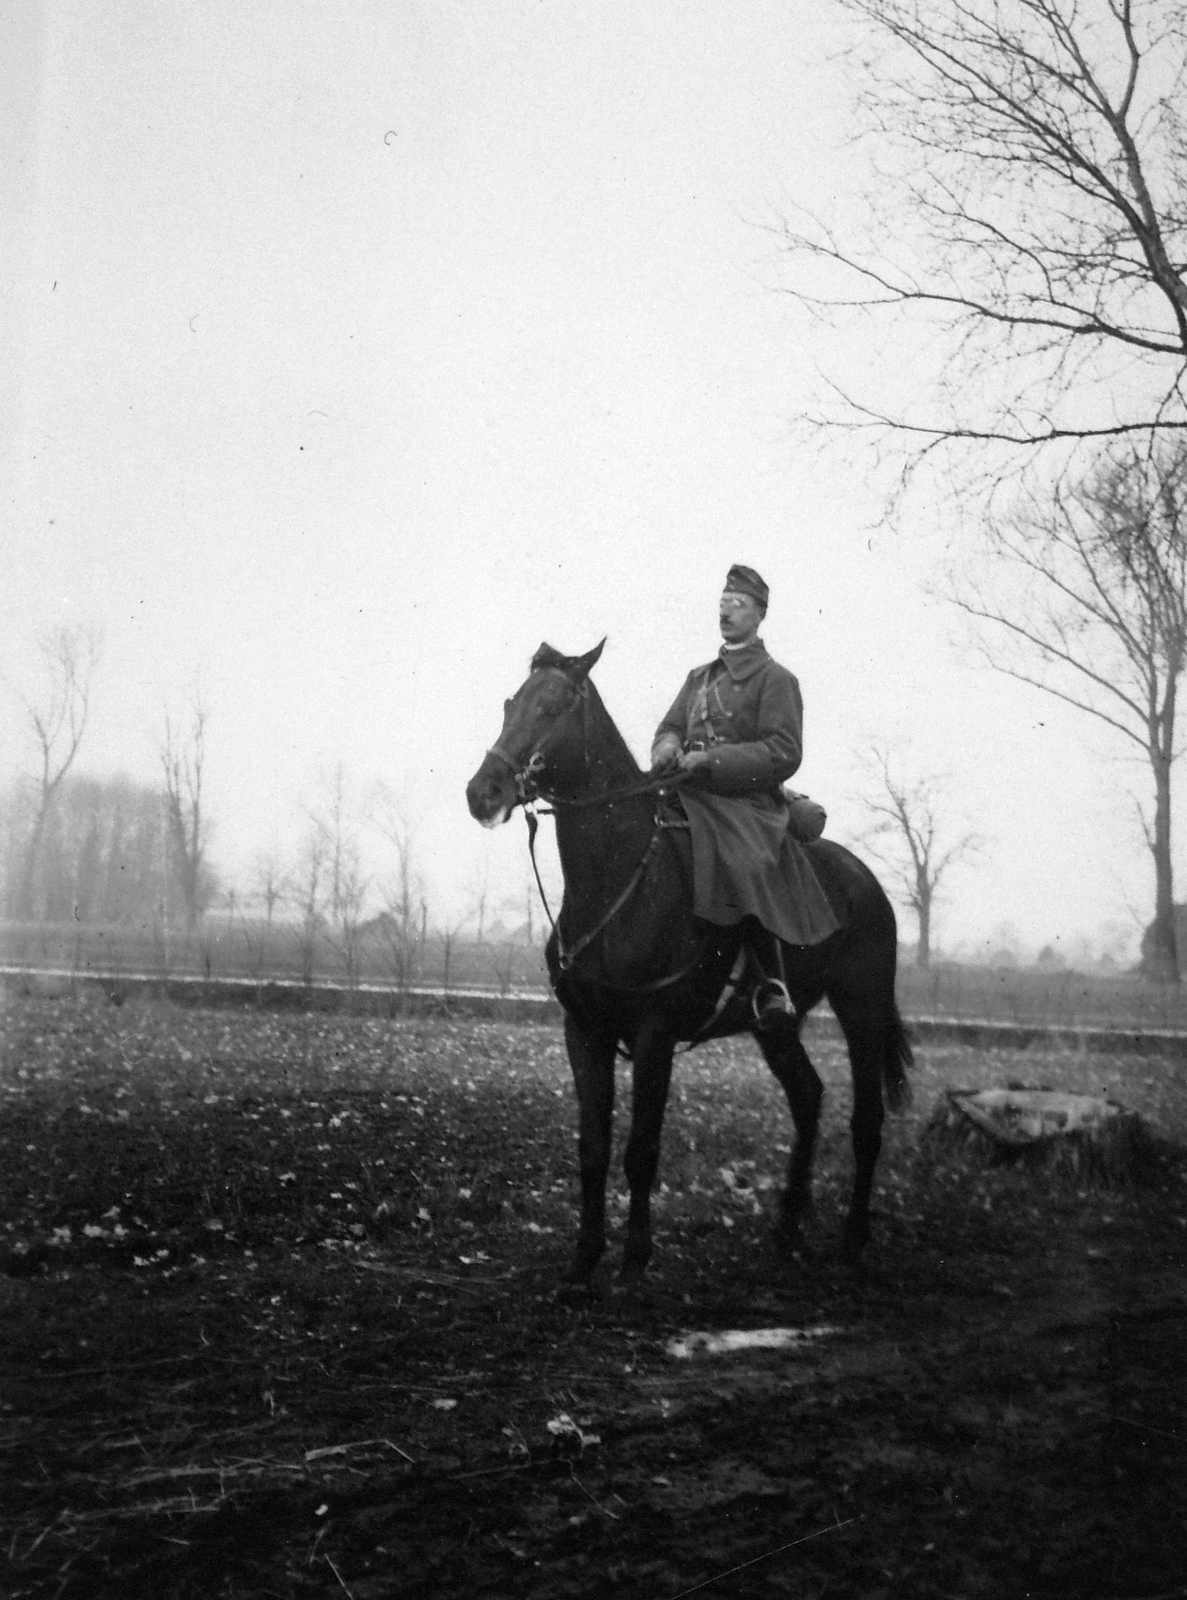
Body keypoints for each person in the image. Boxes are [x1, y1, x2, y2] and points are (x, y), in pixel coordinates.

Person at [649, 564, 839, 1029]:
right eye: (722, 602)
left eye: (738, 604)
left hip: (745, 803)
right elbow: (671, 725)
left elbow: (783, 750)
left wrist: (712, 762)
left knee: (744, 861)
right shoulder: (699, 677)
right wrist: (669, 748)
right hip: (688, 792)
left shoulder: (776, 680)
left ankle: (767, 981)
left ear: (759, 616)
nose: (726, 611)